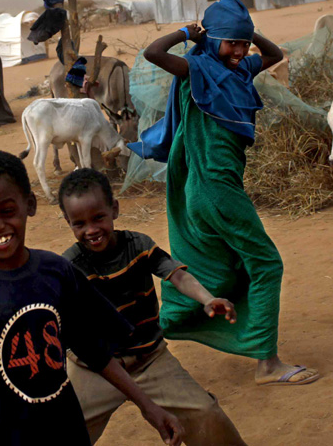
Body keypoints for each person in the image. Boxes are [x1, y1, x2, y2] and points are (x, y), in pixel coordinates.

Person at [131, 0, 319, 387]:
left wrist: (245, 31)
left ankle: (147, 340)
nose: (238, 52)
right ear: (211, 40)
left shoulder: (241, 68)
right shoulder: (195, 69)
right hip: (217, 192)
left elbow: (273, 53)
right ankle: (267, 365)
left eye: (242, 44)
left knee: (222, 267)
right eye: (230, 43)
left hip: (211, 194)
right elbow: (152, 52)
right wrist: (188, 33)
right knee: (267, 264)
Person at [0, 151, 184, 446]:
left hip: (66, 433)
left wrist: (147, 405)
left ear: (30, 205)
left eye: (7, 211)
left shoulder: (57, 272)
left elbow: (95, 351)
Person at [59, 168, 247, 445]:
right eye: (79, 224)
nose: (91, 230)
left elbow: (178, 275)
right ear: (68, 222)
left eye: (98, 218)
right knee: (62, 432)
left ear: (114, 209)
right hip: (95, 367)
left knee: (206, 413)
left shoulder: (139, 246)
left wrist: (207, 299)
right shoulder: (69, 266)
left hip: (149, 357)